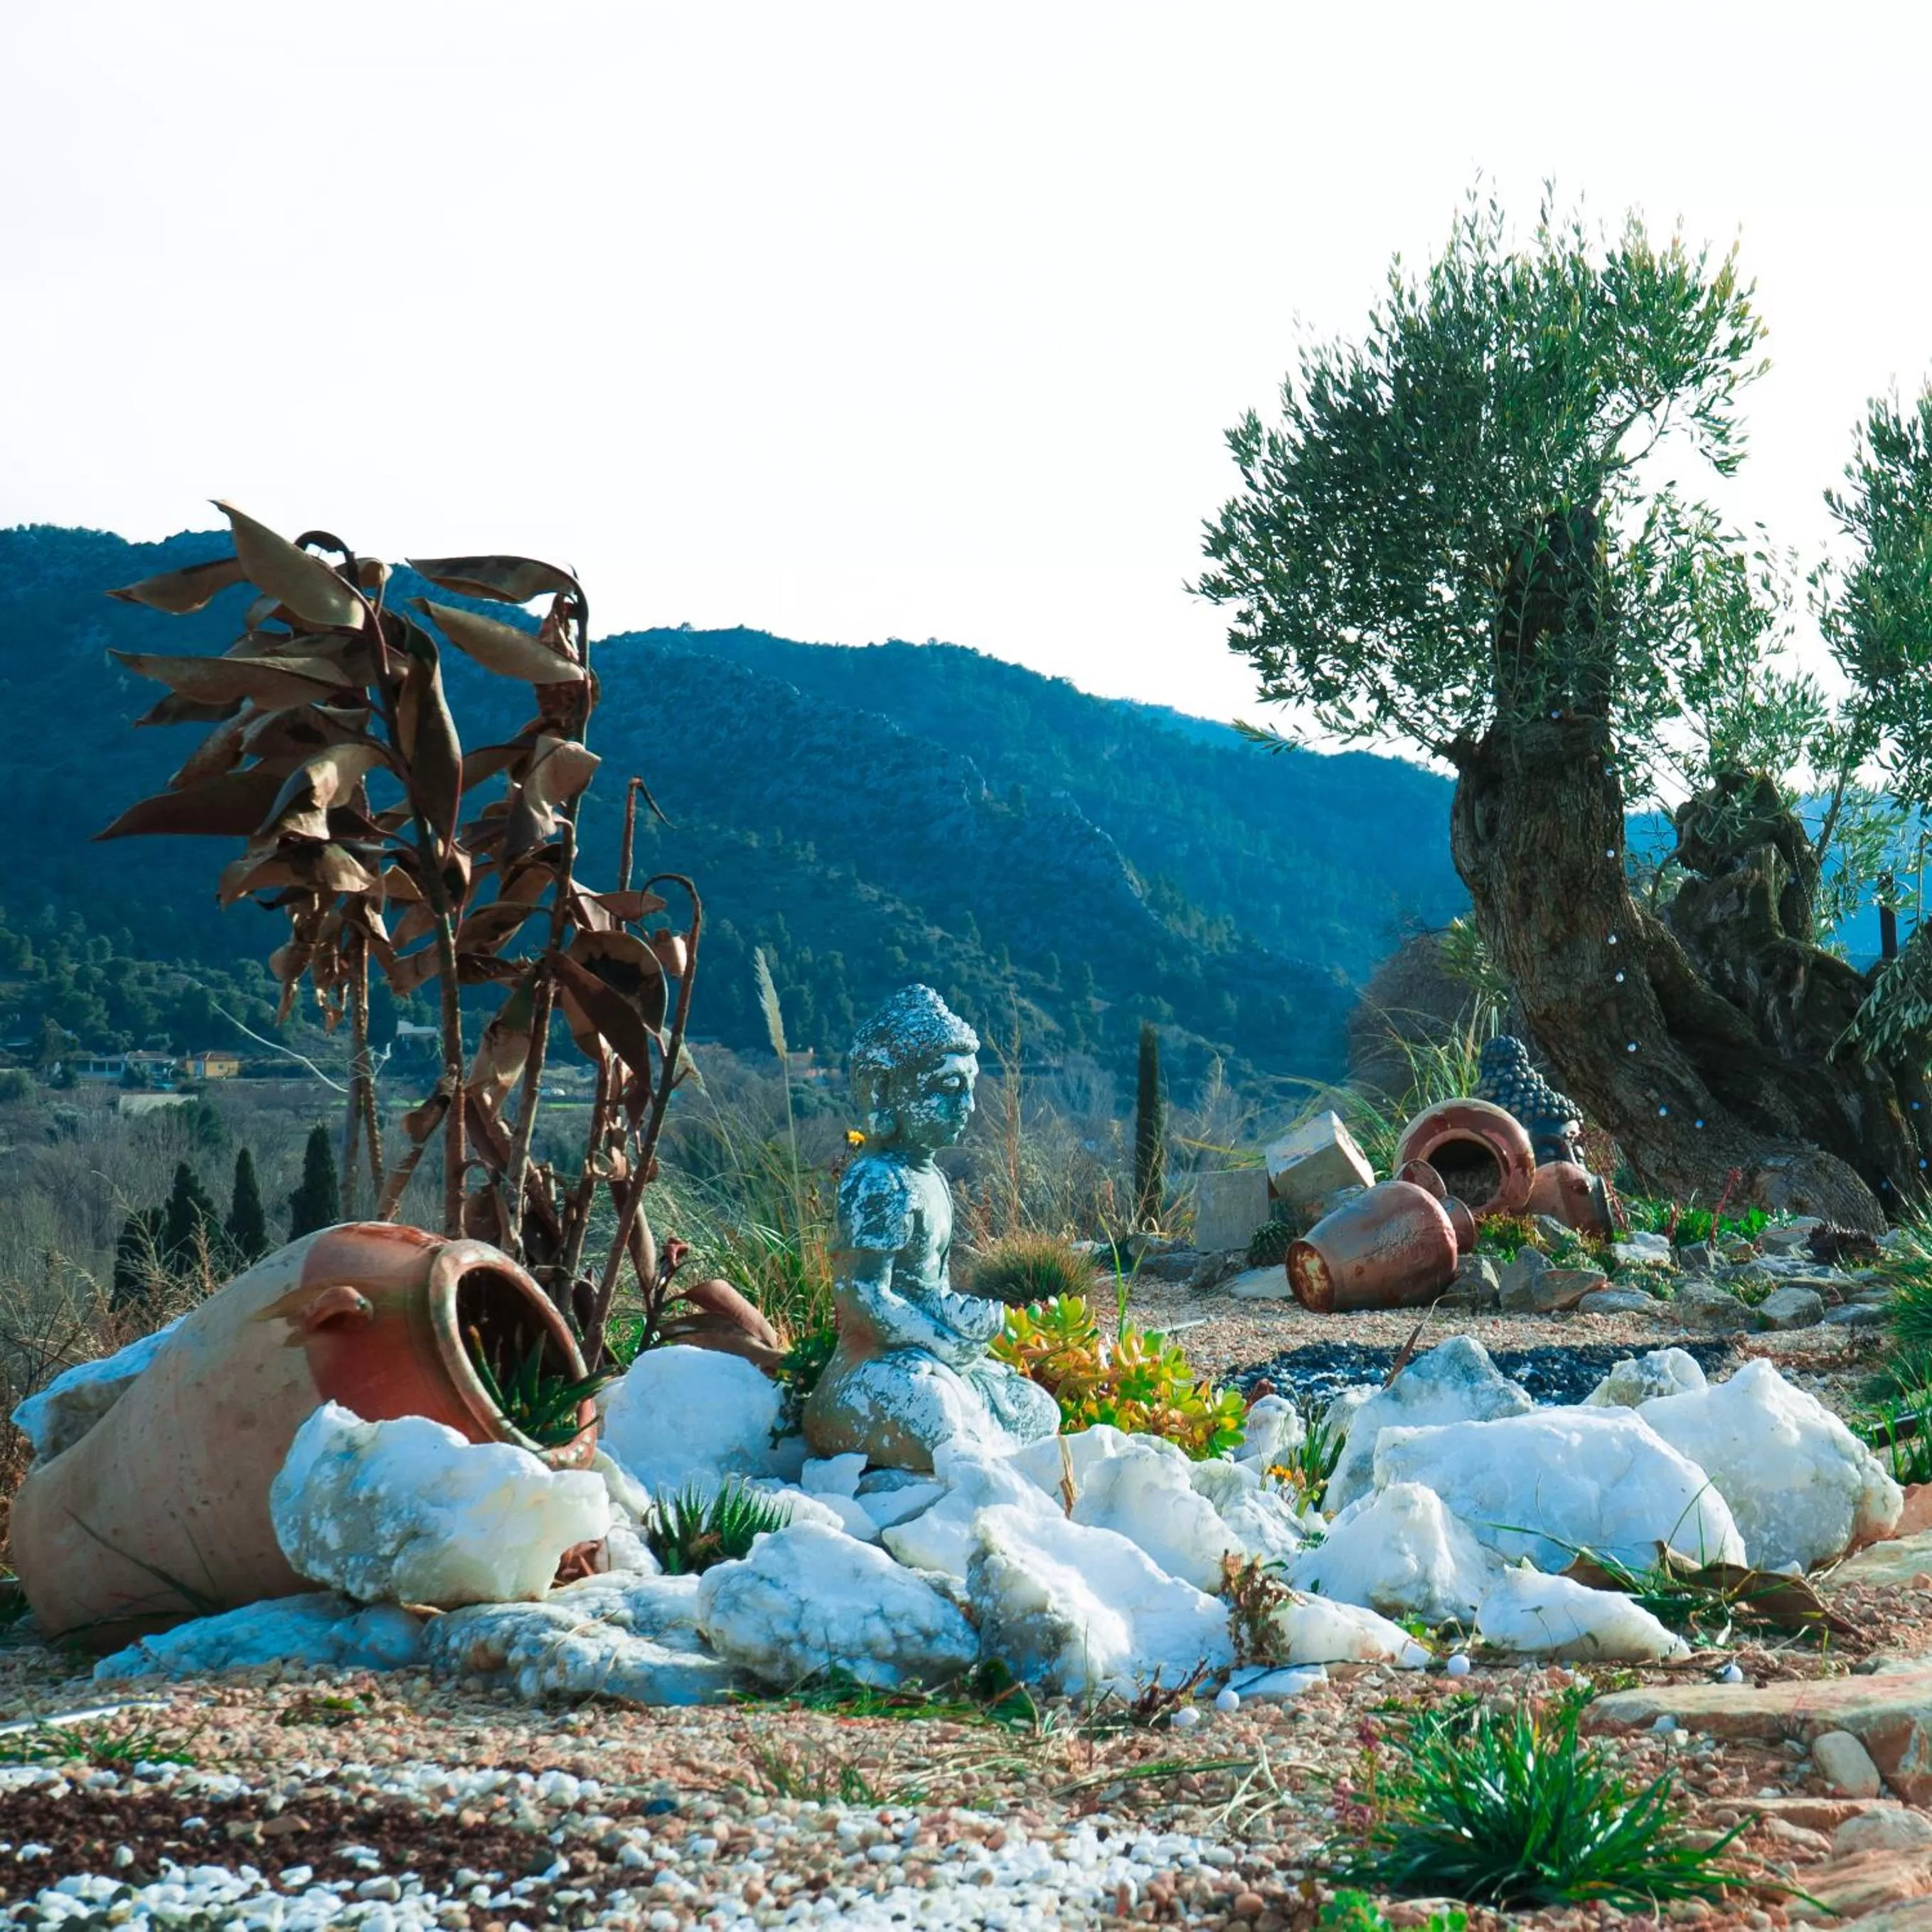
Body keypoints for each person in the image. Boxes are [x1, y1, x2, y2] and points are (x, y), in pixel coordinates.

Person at [803, 986, 1061, 1471]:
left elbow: (927, 1288)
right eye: (945, 1089)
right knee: (933, 1412)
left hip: (928, 1355)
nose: (965, 1104)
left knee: (1033, 1407)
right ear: (883, 1090)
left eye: (968, 1087)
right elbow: (862, 1294)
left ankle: (963, 1461)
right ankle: (933, 1468)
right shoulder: (879, 1179)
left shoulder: (931, 1176)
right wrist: (940, 1340)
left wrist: (961, 1321)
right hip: (871, 1368)